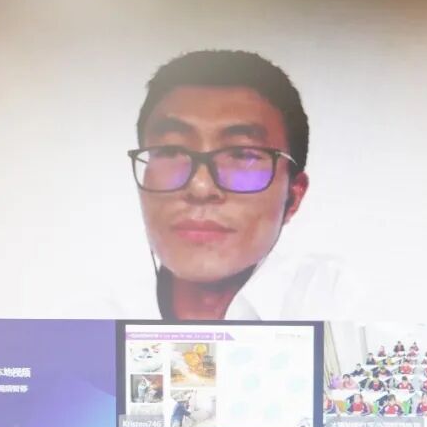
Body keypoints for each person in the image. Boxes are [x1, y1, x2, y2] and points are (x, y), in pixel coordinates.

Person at [133, 50, 361, 321]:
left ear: (293, 196)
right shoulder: (96, 309)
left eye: (242, 155)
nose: (201, 187)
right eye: (171, 151)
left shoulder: (340, 304)